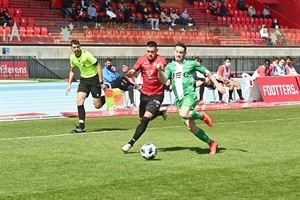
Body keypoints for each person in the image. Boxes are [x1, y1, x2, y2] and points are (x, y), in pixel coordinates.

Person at [156, 42, 226, 155]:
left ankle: (201, 115)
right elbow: (165, 81)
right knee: (191, 127)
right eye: (177, 52)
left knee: (184, 114)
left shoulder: (191, 64)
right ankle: (212, 143)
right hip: (179, 100)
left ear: (185, 53)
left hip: (190, 95)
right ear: (174, 52)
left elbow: (207, 72)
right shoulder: (170, 66)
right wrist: (159, 71)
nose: (178, 54)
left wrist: (217, 84)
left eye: (181, 52)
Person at [121, 41, 168, 153]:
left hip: (157, 94)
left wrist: (160, 69)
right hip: (144, 94)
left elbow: (164, 73)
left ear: (156, 51)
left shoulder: (161, 60)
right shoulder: (141, 60)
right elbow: (132, 71)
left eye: (152, 51)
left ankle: (129, 144)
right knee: (142, 119)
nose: (150, 54)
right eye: (148, 51)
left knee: (145, 119)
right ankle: (160, 113)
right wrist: (128, 72)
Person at [66, 39, 106, 133]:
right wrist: (69, 84)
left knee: (97, 105)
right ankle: (81, 126)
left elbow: (98, 66)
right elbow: (72, 70)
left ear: (80, 46)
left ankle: (108, 98)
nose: (76, 49)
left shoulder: (87, 54)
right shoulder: (72, 57)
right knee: (79, 100)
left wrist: (100, 82)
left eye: (77, 47)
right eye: (74, 47)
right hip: (84, 80)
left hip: (94, 80)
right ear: (71, 48)